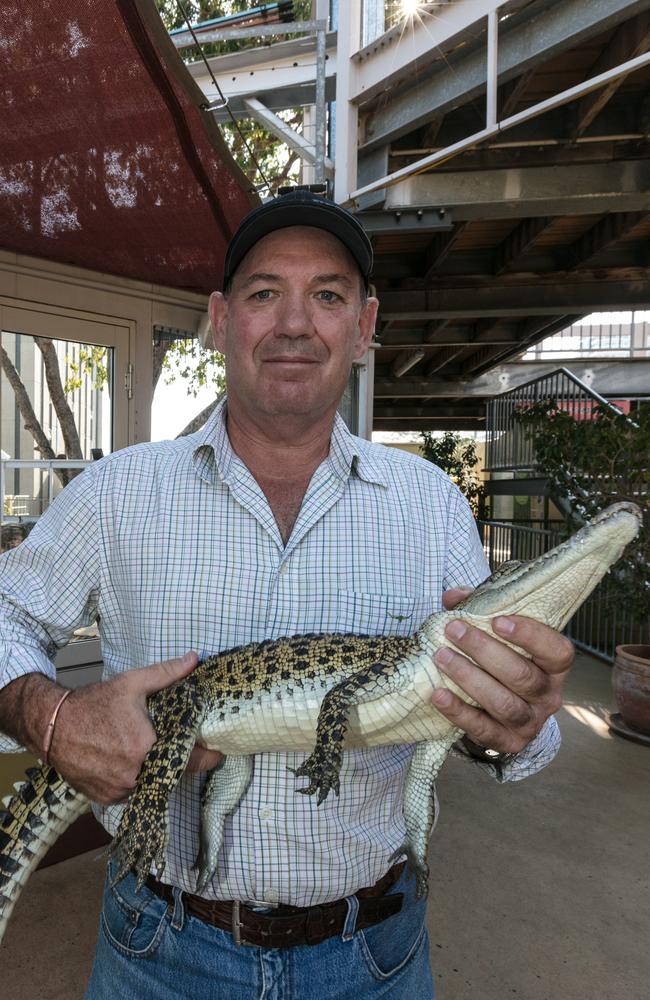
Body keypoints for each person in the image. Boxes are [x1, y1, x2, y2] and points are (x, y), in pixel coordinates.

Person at [0, 190, 573, 999]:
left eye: (328, 295)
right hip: (157, 946)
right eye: (265, 293)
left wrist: (513, 717)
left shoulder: (432, 502)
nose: (296, 322)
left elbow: (518, 735)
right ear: (221, 320)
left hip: (373, 954)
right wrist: (51, 718)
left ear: (365, 327)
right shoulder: (114, 493)